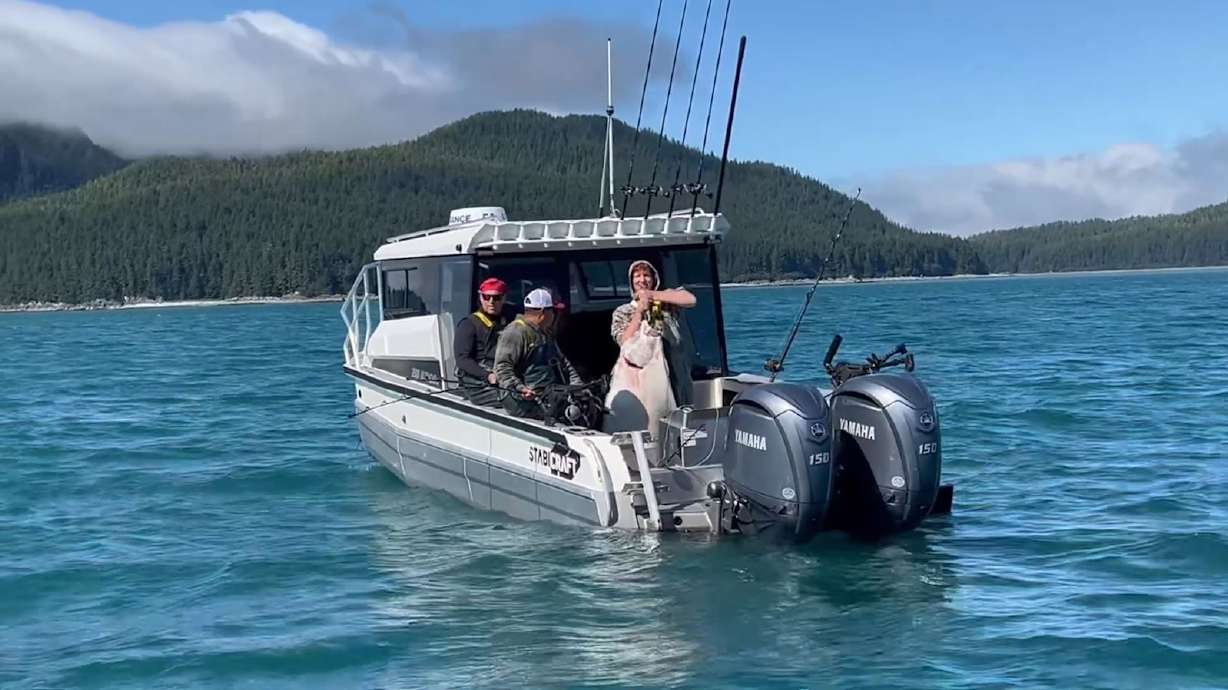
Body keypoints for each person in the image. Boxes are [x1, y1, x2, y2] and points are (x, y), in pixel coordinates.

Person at [603, 260, 696, 435]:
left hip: (679, 381)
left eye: (646, 275)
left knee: (682, 430)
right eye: (637, 276)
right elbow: (625, 341)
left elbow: (690, 299)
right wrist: (639, 311)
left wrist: (652, 296)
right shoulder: (623, 312)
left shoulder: (666, 303)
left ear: (654, 279)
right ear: (631, 281)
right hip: (641, 380)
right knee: (648, 428)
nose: (642, 279)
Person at [494, 287, 583, 419]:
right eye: (553, 311)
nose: (555, 315)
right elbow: (502, 368)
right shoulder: (515, 332)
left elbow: (563, 363)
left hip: (547, 396)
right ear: (543, 313)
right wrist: (520, 389)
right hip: (522, 403)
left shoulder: (545, 332)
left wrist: (579, 387)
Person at [454, 277, 512, 406]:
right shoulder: (468, 324)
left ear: (504, 299)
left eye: (496, 298)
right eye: (487, 297)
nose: (491, 302)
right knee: (512, 399)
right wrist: (487, 375)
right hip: (478, 384)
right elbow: (462, 359)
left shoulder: (510, 320)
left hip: (505, 375)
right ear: (481, 298)